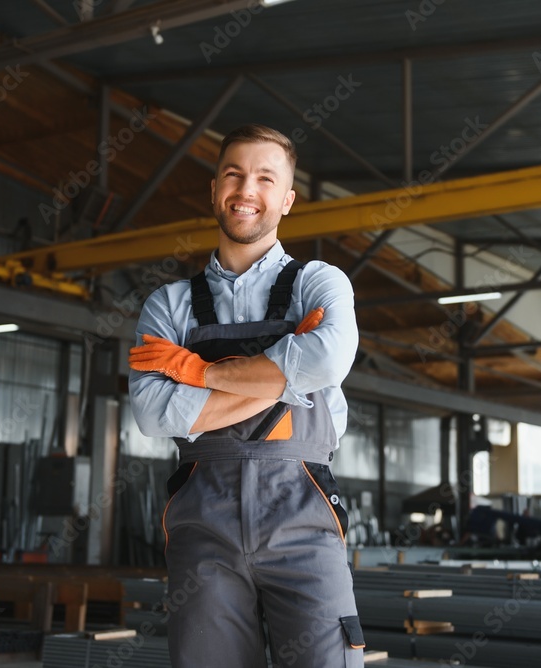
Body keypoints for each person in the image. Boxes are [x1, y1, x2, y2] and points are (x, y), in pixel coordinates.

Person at [127, 124, 364, 667]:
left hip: (303, 516)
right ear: (214, 190)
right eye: (233, 174)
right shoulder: (168, 305)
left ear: (287, 199)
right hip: (202, 524)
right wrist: (287, 375)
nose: (246, 190)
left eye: (265, 177)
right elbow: (153, 412)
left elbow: (328, 359)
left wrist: (198, 372)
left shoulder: (320, 284)